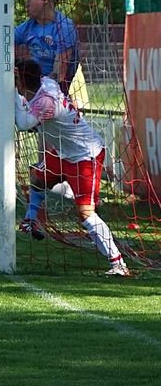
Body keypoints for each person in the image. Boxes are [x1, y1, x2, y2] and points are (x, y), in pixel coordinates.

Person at [13, 58, 129, 276]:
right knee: (37, 179)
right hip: (63, 152)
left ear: (21, 81)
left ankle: (118, 264)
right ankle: (30, 219)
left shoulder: (46, 102)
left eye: (15, 79)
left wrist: (10, 94)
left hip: (86, 156)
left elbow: (23, 124)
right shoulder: (45, 84)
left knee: (86, 213)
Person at [15, 0, 79, 91]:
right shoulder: (28, 26)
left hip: (53, 90)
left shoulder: (64, 27)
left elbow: (58, 74)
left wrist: (33, 88)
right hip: (31, 83)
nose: (26, 4)